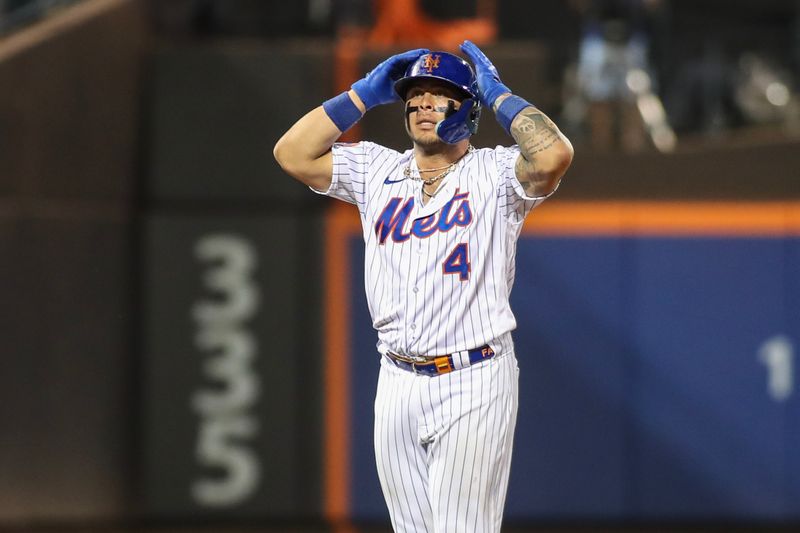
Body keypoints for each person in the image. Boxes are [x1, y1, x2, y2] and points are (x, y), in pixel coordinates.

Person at [274, 41, 573, 533]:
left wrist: (497, 94)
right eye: (414, 95)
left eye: (440, 95)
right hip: (396, 379)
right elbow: (292, 153)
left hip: (473, 376)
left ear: (468, 109)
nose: (422, 104)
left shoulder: (494, 173)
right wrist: (361, 95)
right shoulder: (376, 170)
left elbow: (552, 156)